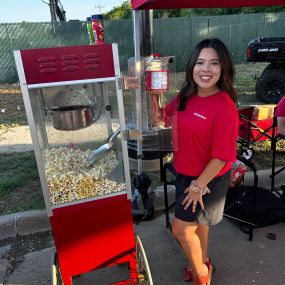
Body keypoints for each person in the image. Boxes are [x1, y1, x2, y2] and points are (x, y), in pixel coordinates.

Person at [163, 38, 239, 285]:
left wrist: (197, 186)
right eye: (200, 62)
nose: (206, 69)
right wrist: (153, 93)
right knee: (199, 225)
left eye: (214, 63)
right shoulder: (187, 94)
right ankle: (203, 261)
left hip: (209, 177)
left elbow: (221, 156)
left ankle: (202, 276)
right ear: (192, 67)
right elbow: (164, 116)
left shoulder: (225, 106)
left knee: (181, 230)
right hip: (185, 170)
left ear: (223, 68)